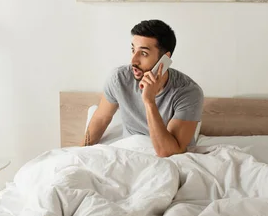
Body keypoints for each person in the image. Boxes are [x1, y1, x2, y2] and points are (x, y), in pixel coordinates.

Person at [82, 20, 204, 157]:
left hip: (171, 159)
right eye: (133, 50)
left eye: (144, 53)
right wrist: (79, 153)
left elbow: (168, 152)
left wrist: (149, 101)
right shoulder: (119, 78)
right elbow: (101, 118)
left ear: (164, 59)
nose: (133, 60)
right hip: (131, 154)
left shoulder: (188, 92)